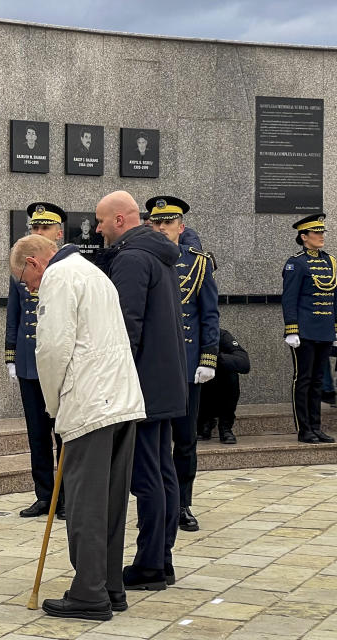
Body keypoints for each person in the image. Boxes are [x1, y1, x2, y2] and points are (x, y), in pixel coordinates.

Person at [13, 234, 145, 621]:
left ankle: (89, 594)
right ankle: (110, 586)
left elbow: (52, 349)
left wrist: (54, 406)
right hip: (121, 400)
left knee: (86, 504)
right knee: (111, 502)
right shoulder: (93, 272)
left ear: (35, 263)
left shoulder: (58, 277)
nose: (28, 288)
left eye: (25, 280)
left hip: (89, 403)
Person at [95, 190, 186, 590]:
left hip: (142, 384)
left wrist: (112, 384)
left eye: (100, 221)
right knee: (164, 474)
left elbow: (125, 329)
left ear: (119, 220)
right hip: (164, 382)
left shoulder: (132, 258)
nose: (96, 229)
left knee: (146, 476)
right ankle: (161, 558)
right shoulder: (157, 253)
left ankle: (150, 565)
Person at [148, 196, 219, 533]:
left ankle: (183, 503)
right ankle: (157, 499)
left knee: (186, 439)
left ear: (181, 226)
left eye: (168, 222)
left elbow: (209, 314)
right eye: (157, 222)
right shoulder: (140, 259)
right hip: (153, 367)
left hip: (188, 365)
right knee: (154, 440)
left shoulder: (199, 263)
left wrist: (208, 357)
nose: (162, 228)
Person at [5, 202, 66, 519]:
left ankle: (65, 496)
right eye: (34, 228)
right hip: (30, 363)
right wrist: (11, 354)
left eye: (44, 228)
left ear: (58, 232)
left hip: (56, 363)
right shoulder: (22, 268)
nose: (37, 233)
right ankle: (44, 495)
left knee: (61, 432)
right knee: (37, 435)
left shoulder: (66, 270)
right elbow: (14, 315)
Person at [282, 214, 337, 444]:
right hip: (303, 332)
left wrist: (335, 328)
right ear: (304, 237)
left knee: (317, 381)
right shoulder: (296, 263)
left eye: (322, 232)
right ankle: (304, 429)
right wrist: (291, 329)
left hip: (324, 330)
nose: (321, 236)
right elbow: (289, 298)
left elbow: (334, 298)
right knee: (303, 379)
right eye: (316, 233)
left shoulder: (330, 262)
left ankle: (316, 426)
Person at [198, 328, 251, 444]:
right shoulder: (186, 335)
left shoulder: (221, 335)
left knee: (230, 374)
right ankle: (203, 422)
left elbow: (244, 363)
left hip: (219, 386)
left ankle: (225, 426)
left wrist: (213, 359)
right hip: (197, 390)